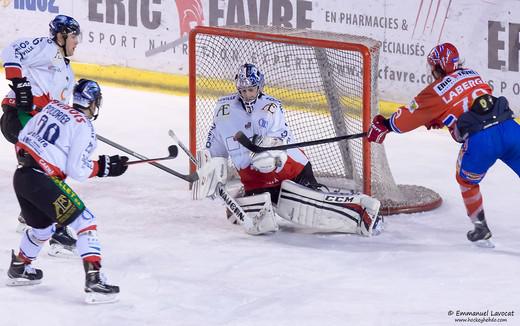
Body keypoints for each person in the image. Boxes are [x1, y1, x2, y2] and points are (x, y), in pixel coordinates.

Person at [193, 63, 382, 236]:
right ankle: (244, 195)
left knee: (309, 205)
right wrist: (209, 170)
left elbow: (278, 140)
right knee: (259, 219)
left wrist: (271, 155)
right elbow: (215, 147)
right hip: (255, 181)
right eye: (243, 90)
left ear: (259, 87)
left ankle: (362, 210)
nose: (247, 94)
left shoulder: (271, 108)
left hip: (290, 170)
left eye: (251, 90)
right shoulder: (224, 110)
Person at [367, 42, 520, 246]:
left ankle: (481, 229)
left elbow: (405, 120)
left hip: (482, 142)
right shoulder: (472, 74)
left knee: (467, 181)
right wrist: (442, 118)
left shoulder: (435, 90)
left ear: (438, 67)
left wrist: (386, 124)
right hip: (511, 129)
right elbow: (476, 101)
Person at [6, 79, 128, 304]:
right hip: (42, 180)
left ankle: (21, 267)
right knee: (86, 222)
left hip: (22, 176)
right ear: (93, 103)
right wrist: (105, 167)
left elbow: (22, 137)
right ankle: (95, 280)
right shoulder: (84, 126)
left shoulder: (52, 107)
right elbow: (77, 169)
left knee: (42, 229)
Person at [1, 14, 81, 256]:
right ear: (61, 35)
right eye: (74, 36)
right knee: (48, 166)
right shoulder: (47, 48)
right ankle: (57, 231)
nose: (77, 42)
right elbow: (11, 50)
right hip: (20, 116)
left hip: (33, 121)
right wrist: (20, 85)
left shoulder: (66, 69)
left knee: (42, 167)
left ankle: (31, 214)